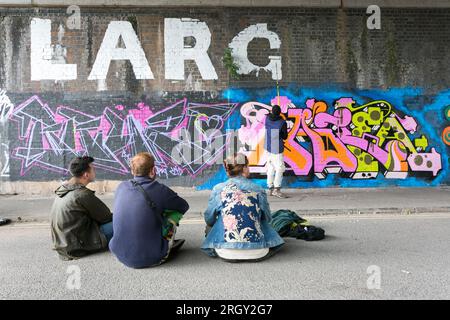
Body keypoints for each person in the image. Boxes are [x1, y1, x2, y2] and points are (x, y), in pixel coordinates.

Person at [109, 152, 189, 268]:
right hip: (153, 257)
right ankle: (165, 244)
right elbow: (183, 206)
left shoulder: (121, 187)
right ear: (153, 171)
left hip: (119, 254)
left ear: (132, 171)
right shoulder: (160, 190)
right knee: (174, 213)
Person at [201, 153, 284, 262]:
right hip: (258, 252)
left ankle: (226, 244)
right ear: (245, 168)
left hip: (225, 252)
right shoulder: (258, 189)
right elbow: (267, 218)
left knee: (214, 222)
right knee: (261, 221)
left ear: (227, 170)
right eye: (248, 166)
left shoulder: (218, 189)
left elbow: (209, 219)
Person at [50, 156, 113, 260]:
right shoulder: (81, 194)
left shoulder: (63, 189)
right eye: (93, 169)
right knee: (125, 222)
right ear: (86, 175)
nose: (95, 171)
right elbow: (106, 217)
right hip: (77, 247)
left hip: (64, 245)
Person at [264, 104, 289, 198]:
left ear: (271, 111)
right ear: (280, 112)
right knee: (280, 168)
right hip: (277, 147)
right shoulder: (282, 122)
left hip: (267, 145)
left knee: (270, 167)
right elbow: (285, 137)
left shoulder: (266, 119)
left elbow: (270, 117)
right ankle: (276, 189)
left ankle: (270, 188)